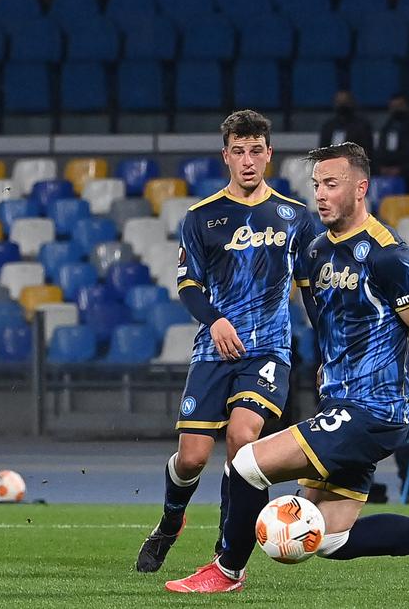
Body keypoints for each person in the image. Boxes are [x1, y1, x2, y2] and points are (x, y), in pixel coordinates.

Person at [165, 142, 409, 595]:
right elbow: (326, 319)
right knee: (331, 537)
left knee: (245, 464)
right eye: (316, 184)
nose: (320, 194)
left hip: (373, 408)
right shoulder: (319, 250)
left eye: (332, 184)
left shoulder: (388, 255)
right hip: (343, 402)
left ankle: (226, 571)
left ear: (361, 188)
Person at [136, 110, 314, 573]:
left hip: (270, 350)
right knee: (192, 457)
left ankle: (226, 550)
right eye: (239, 151)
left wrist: (326, 343)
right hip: (214, 349)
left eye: (256, 150)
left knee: (242, 441)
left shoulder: (295, 218)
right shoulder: (202, 218)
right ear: (226, 157)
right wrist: (214, 321)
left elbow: (313, 288)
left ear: (269, 154)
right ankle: (171, 520)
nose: (248, 160)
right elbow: (189, 285)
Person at [319, 91, 375, 162]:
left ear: (352, 103)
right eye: (339, 102)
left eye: (345, 102)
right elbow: (322, 151)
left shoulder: (362, 126)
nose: (342, 105)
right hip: (331, 167)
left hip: (354, 167)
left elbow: (366, 151)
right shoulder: (328, 127)